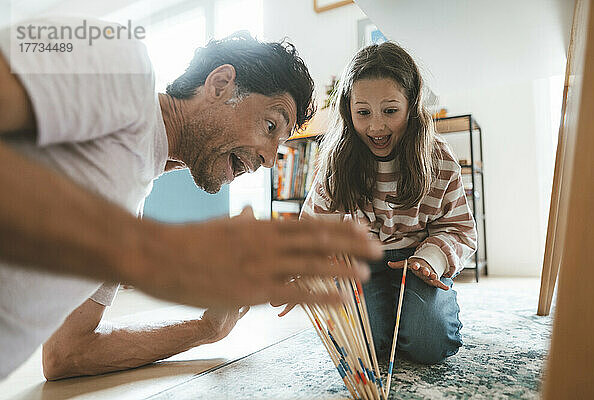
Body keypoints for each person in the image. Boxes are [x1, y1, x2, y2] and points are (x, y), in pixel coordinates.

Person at [0, 17, 381, 380]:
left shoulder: (129, 199)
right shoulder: (122, 63)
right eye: (270, 125)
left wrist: (206, 328)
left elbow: (67, 353)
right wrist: (153, 254)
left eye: (278, 146)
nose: (268, 159)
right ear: (219, 84)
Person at [278, 42, 477, 364]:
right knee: (360, 346)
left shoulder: (438, 157)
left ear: (411, 106)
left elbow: (459, 229)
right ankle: (386, 321)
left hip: (418, 263)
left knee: (429, 343)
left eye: (390, 110)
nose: (376, 126)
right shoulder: (337, 161)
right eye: (363, 112)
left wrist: (430, 262)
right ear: (348, 110)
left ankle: (410, 315)